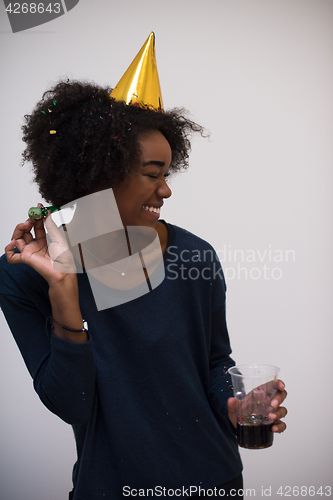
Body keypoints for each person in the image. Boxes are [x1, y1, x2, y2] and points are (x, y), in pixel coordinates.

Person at [0, 35, 287, 500]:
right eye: (152, 174)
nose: (166, 191)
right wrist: (64, 294)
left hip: (214, 482)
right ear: (96, 171)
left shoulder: (194, 256)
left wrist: (234, 405)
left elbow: (215, 363)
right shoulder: (22, 273)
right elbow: (72, 404)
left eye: (168, 174)